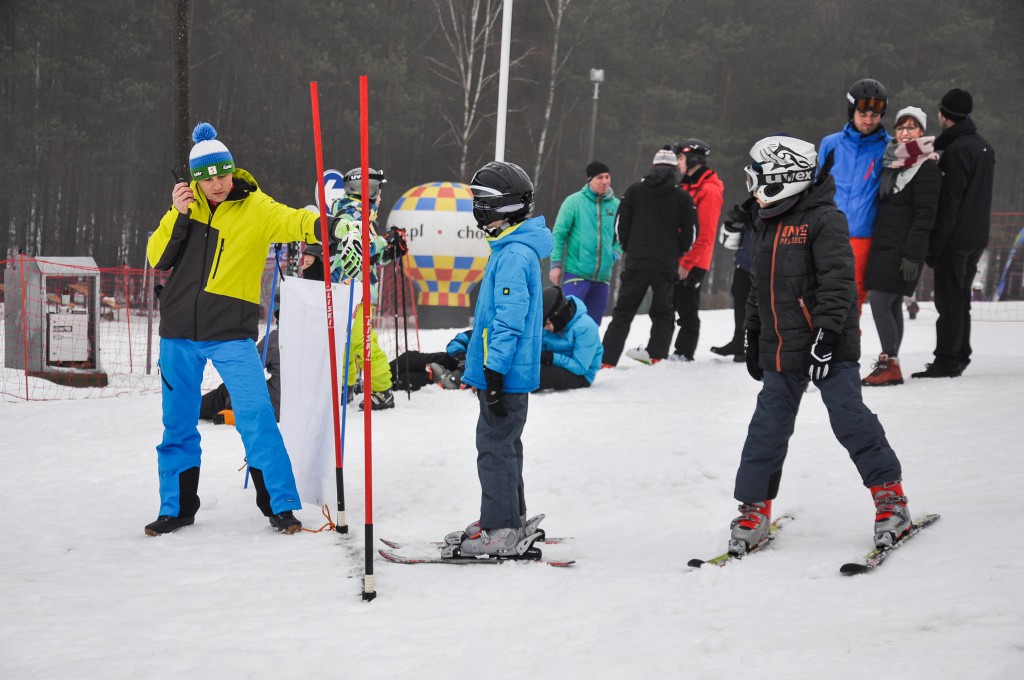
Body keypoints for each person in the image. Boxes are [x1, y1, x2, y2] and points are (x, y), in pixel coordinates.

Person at [728, 134, 911, 557]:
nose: (751, 184)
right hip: (781, 347)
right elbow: (760, 287)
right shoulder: (765, 218)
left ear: (783, 176)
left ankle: (890, 497)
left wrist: (827, 335)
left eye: (757, 175)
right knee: (766, 428)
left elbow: (839, 282)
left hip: (828, 344)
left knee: (850, 418)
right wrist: (753, 334)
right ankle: (755, 508)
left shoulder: (825, 218)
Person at [146, 122, 320, 536]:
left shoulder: (255, 208)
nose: (218, 184)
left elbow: (296, 221)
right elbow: (158, 258)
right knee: (177, 423)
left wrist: (329, 227)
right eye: (208, 179)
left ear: (232, 170)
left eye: (223, 174)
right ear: (195, 181)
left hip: (229, 333)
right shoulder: (186, 210)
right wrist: (177, 214)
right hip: (178, 335)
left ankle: (280, 506)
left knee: (257, 417)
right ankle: (177, 507)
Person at [448, 160, 553, 557]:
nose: (475, 210)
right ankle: (509, 514)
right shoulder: (513, 249)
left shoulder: (513, 255)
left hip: (504, 373)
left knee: (493, 448)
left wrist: (493, 373)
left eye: (480, 202)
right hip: (505, 371)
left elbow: (508, 321)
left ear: (500, 208)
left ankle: (502, 528)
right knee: (505, 446)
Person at [912, 89, 995, 379]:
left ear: (944, 116)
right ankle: (960, 353)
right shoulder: (983, 147)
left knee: (948, 301)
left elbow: (949, 205)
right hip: (976, 237)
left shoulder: (957, 151)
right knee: (960, 299)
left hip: (955, 239)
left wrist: (934, 247)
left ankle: (947, 359)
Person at [862, 106, 941, 386]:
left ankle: (889, 363)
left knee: (881, 300)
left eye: (912, 128)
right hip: (884, 244)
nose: (905, 133)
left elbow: (925, 217)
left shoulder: (927, 168)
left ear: (922, 132)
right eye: (901, 128)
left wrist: (912, 255)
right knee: (891, 303)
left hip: (904, 249)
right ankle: (892, 364)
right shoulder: (893, 165)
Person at [602, 147, 696, 366]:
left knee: (623, 311)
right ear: (674, 169)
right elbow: (691, 233)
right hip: (666, 262)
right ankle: (656, 356)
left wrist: (628, 247)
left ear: (653, 166)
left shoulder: (634, 191)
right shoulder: (682, 197)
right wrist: (679, 251)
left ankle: (607, 360)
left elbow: (620, 226)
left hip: (637, 260)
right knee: (663, 312)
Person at [818, 78, 891, 314]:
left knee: (853, 293)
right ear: (852, 111)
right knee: (820, 290)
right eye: (863, 113)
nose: (869, 120)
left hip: (863, 234)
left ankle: (846, 346)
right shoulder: (831, 144)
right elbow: (814, 185)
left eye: (875, 114)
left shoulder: (889, 147)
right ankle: (816, 345)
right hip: (828, 232)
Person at [670, 139, 724, 361]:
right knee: (671, 303)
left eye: (680, 159)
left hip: (693, 261)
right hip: (679, 257)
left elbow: (706, 233)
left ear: (692, 160)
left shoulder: (709, 190)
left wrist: (687, 262)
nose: (677, 164)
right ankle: (666, 350)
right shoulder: (685, 186)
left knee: (686, 307)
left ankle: (684, 352)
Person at [549, 161, 621, 325]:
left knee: (592, 326)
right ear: (590, 180)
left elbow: (623, 235)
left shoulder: (617, 205)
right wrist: (556, 264)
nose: (605, 181)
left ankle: (587, 352)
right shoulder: (573, 202)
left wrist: (614, 254)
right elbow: (559, 234)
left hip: (602, 278)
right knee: (568, 322)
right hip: (576, 274)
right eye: (600, 177)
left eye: (607, 177)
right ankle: (563, 352)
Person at [200, 327, 280, 423]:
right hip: (297, 411)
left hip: (270, 408)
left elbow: (248, 367)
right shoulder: (300, 340)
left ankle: (189, 408)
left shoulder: (277, 339)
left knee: (225, 390)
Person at [709, 198, 756, 363]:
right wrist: (741, 216)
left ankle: (751, 345)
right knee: (740, 299)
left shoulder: (779, 192)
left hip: (762, 263)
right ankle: (738, 342)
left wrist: (749, 217)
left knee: (755, 305)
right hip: (745, 260)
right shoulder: (754, 199)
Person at [538, 286, 603, 391]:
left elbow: (580, 367)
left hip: (581, 374)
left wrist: (551, 358)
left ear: (559, 315)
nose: (545, 328)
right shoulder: (547, 325)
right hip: (552, 365)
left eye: (548, 324)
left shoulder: (586, 327)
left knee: (545, 376)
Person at [390, 330, 470, 392]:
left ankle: (385, 386)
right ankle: (380, 377)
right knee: (409, 358)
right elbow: (459, 341)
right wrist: (460, 356)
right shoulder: (478, 332)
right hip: (452, 359)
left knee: (408, 379)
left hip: (465, 376)